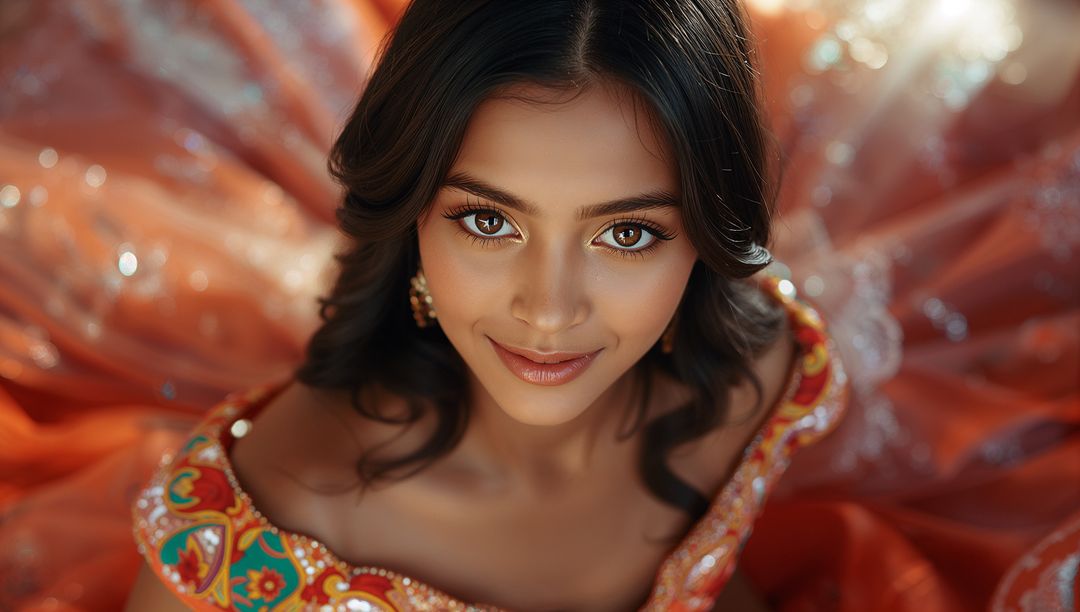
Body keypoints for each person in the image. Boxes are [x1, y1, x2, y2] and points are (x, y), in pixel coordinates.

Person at [122, 0, 848, 609]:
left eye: (627, 234)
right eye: (489, 222)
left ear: (705, 233)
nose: (549, 312)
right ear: (411, 215)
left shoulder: (751, 381)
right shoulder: (266, 528)